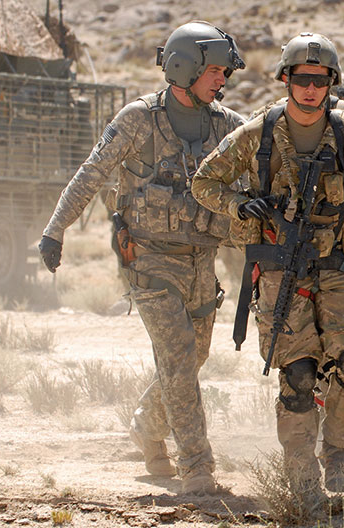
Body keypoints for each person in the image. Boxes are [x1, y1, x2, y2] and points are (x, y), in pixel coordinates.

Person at [190, 33, 344, 503]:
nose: (310, 89)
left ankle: (335, 450)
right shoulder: (257, 133)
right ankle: (301, 473)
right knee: (299, 377)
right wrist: (239, 204)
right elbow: (203, 181)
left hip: (338, 267)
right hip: (280, 268)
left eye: (320, 80)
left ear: (331, 83)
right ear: (286, 79)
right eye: (302, 79)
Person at [37, 21, 247, 494]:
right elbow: (91, 175)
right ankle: (197, 465)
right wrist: (55, 230)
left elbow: (265, 162)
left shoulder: (227, 125)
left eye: (224, 72)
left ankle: (147, 428)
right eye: (215, 70)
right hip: (149, 262)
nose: (222, 80)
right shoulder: (138, 119)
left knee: (193, 358)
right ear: (184, 67)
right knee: (176, 359)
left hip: (202, 263)